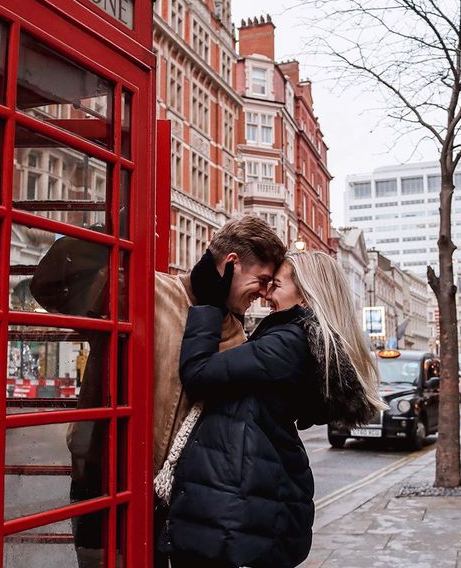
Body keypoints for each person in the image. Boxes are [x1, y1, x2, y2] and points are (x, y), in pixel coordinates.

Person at [29, 215, 286, 568]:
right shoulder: (137, 291)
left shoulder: (235, 336)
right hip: (103, 477)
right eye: (261, 280)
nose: (262, 294)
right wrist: (116, 225)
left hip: (180, 503)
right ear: (231, 263)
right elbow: (47, 284)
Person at [161, 250, 387, 568]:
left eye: (276, 285)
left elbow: (199, 373)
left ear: (307, 294)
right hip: (244, 500)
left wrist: (210, 305)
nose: (266, 293)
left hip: (239, 509)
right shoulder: (289, 338)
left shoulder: (288, 343)